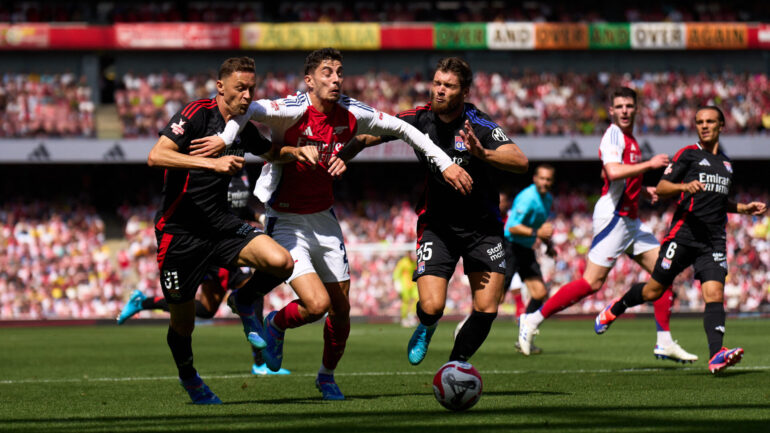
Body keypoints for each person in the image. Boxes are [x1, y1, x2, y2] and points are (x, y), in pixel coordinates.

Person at [206, 48, 473, 400]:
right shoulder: (292, 109)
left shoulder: (352, 111)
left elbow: (406, 129)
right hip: (286, 220)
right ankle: (276, 322)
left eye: (339, 72)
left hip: (324, 219)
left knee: (342, 309)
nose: (336, 79)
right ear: (309, 80)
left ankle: (327, 376)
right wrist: (226, 139)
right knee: (316, 306)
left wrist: (445, 164)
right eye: (327, 72)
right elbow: (249, 109)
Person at [346, 57, 529, 366]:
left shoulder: (479, 124)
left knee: (486, 309)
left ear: (465, 91)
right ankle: (427, 325)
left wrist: (483, 153)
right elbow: (368, 134)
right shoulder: (418, 118)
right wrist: (340, 154)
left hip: (482, 229)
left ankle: (455, 364)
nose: (440, 90)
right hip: (438, 226)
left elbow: (520, 161)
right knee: (431, 306)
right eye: (437, 83)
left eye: (449, 86)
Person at [146, 56, 294, 404]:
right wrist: (212, 162)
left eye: (251, 89)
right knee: (184, 324)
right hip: (179, 233)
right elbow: (157, 155)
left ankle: (243, 299)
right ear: (221, 87)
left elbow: (271, 151)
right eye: (240, 88)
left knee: (281, 262)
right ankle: (190, 377)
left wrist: (299, 152)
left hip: (221, 224)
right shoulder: (197, 113)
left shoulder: (243, 124)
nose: (247, 96)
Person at [518, 87, 698, 363]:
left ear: (636, 109)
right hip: (614, 216)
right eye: (620, 106)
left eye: (629, 105)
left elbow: (615, 174)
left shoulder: (630, 139)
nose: (625, 110)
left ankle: (664, 342)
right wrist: (649, 165)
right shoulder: (614, 134)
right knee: (591, 282)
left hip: (631, 218)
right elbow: (612, 171)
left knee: (664, 274)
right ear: (612, 111)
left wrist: (643, 188)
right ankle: (531, 319)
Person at [594, 106, 767, 373]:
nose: (704, 126)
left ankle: (716, 354)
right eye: (699, 122)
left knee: (714, 294)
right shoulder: (688, 154)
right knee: (654, 291)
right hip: (683, 235)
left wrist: (742, 208)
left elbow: (718, 201)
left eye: (710, 121)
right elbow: (662, 188)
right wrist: (683, 187)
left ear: (722, 125)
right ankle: (616, 307)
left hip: (713, 240)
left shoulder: (727, 164)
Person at [116, 166, 291, 376]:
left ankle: (260, 361)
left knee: (215, 306)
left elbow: (238, 207)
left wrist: (258, 216)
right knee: (211, 306)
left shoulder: (241, 172)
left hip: (230, 237)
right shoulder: (214, 169)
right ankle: (260, 362)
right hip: (213, 241)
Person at [505, 164, 556, 354]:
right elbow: (512, 227)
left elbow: (540, 224)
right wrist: (537, 232)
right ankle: (464, 326)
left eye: (548, 179)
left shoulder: (547, 199)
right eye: (542, 178)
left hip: (525, 249)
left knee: (539, 293)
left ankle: (524, 336)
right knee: (496, 298)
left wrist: (548, 246)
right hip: (509, 248)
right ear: (535, 178)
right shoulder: (527, 198)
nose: (545, 182)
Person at [393, 251, 419, 327]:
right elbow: (397, 272)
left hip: (413, 284)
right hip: (404, 284)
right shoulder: (403, 262)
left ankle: (411, 315)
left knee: (417, 298)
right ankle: (404, 318)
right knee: (406, 301)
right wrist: (397, 283)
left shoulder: (415, 262)